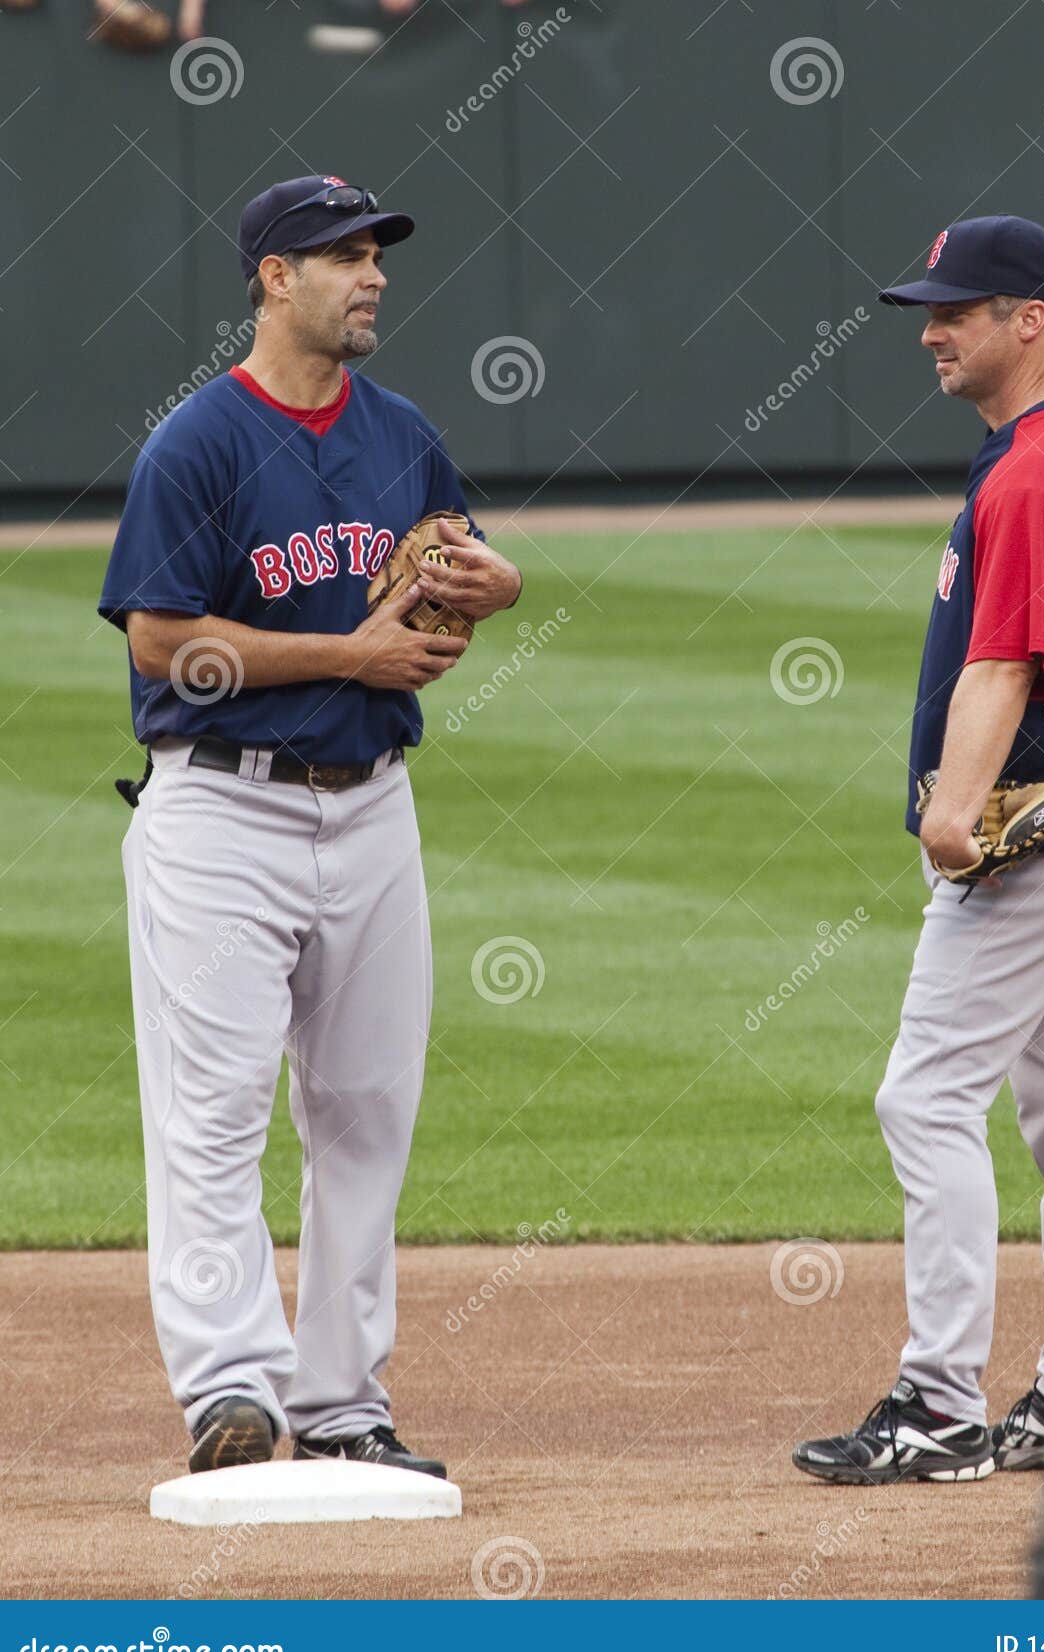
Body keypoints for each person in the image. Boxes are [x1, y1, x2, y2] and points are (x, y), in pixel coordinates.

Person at [100, 175, 522, 1476]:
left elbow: (457, 567)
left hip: (372, 810)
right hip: (221, 811)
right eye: (342, 253)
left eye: (375, 251)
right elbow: (167, 640)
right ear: (273, 278)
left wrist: (497, 585)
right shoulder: (199, 445)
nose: (372, 273)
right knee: (215, 1111)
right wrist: (343, 654)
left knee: (362, 1111)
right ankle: (230, 1390)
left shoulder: (400, 433)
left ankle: (343, 1404)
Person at [792, 216, 1044, 1485]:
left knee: (922, 1099)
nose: (931, 330)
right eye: (929, 307)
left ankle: (937, 1400)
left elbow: (1008, 658)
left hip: (1038, 860)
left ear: (1029, 320)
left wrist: (957, 810)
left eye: (955, 311)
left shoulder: (1034, 472)